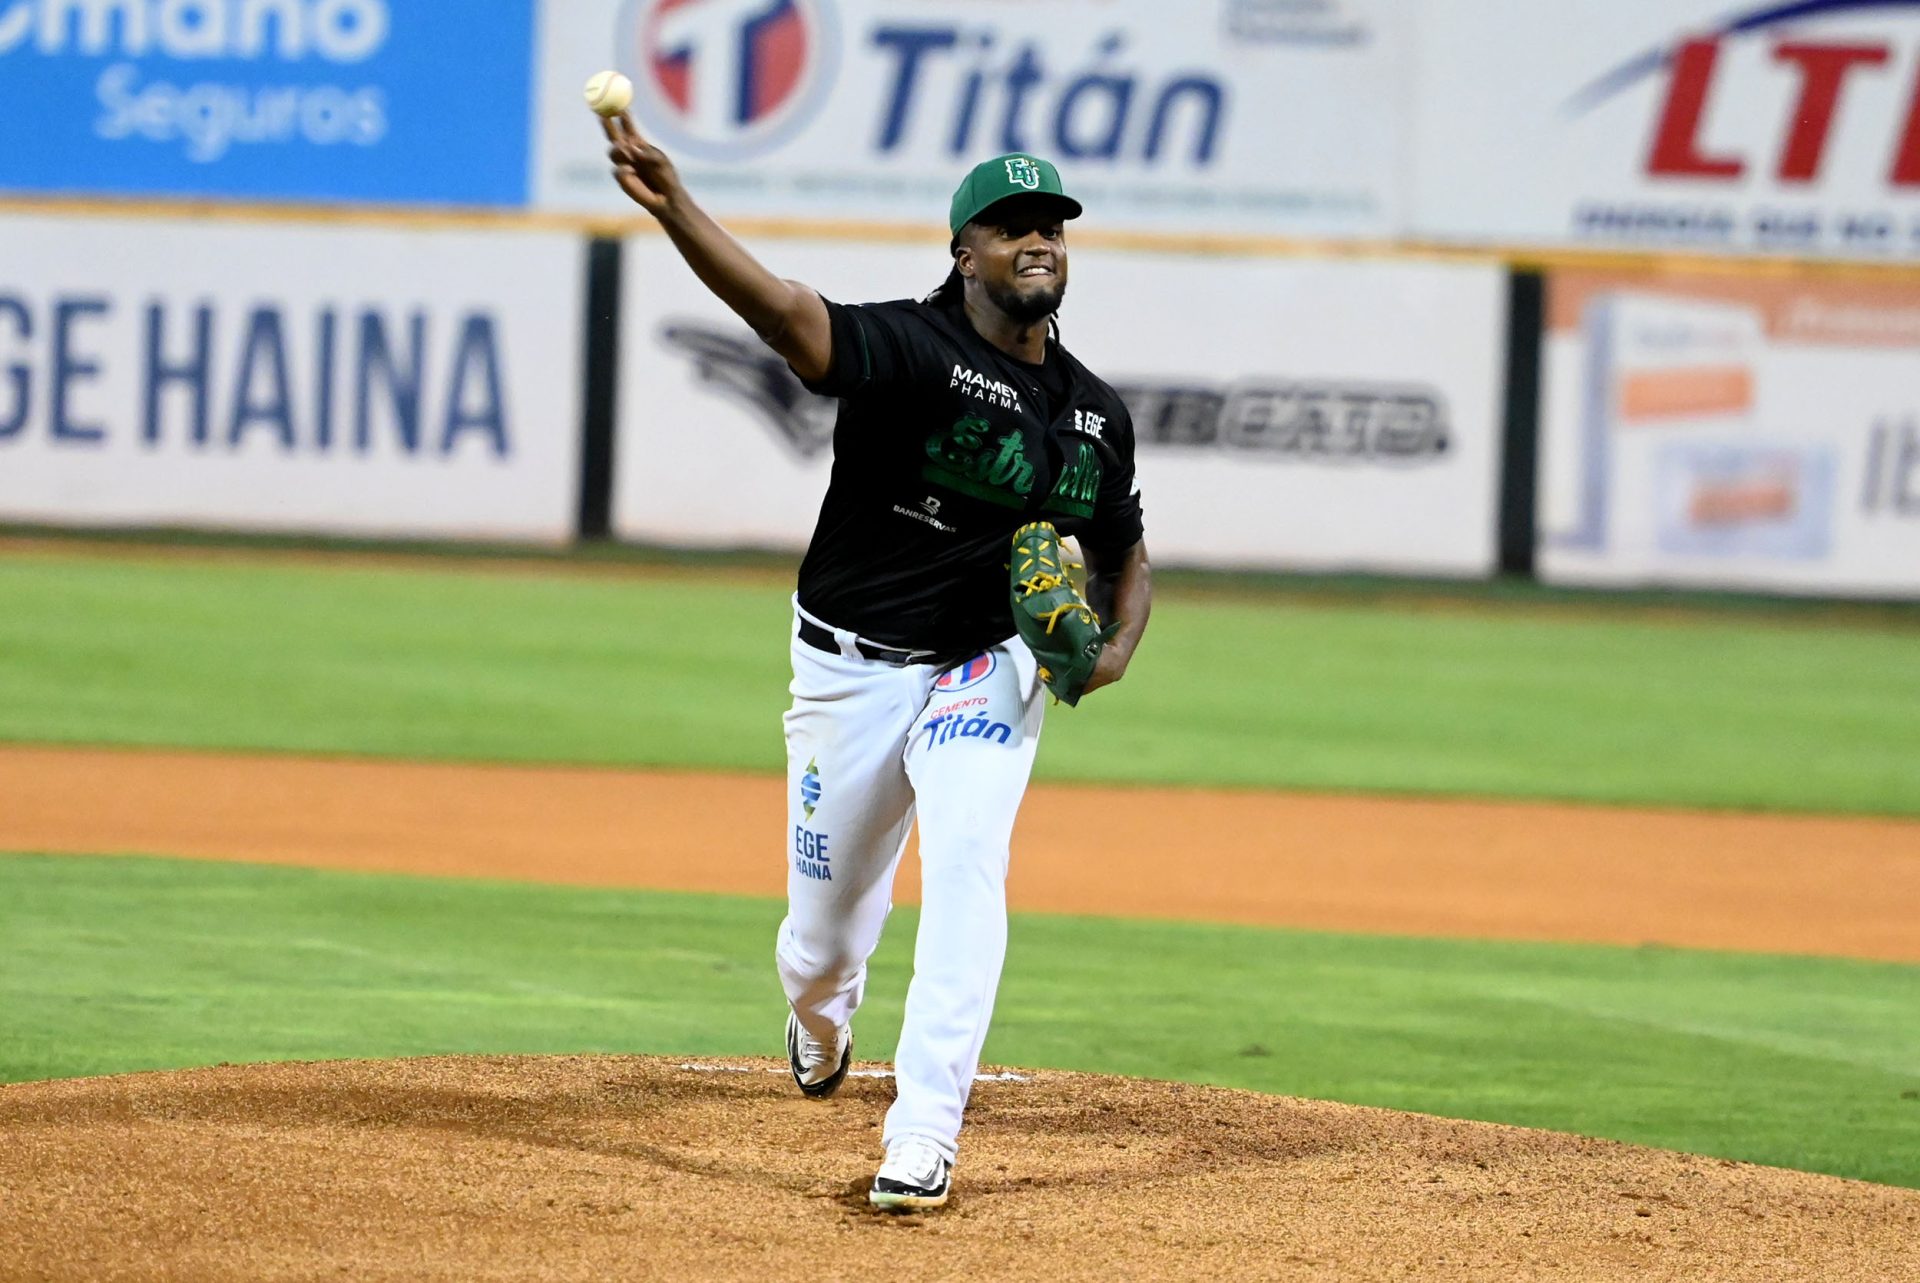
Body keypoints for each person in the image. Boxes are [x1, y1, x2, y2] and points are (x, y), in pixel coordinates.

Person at [602, 115, 1152, 1210]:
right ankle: (821, 1014)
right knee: (818, 944)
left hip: (982, 664)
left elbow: (1122, 550)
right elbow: (786, 316)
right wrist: (676, 209)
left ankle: (924, 1129)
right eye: (1010, 226)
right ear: (964, 252)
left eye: (1050, 225)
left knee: (967, 862)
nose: (1037, 241)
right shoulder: (911, 347)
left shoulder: (1096, 413)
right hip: (847, 670)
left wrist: (1111, 650)